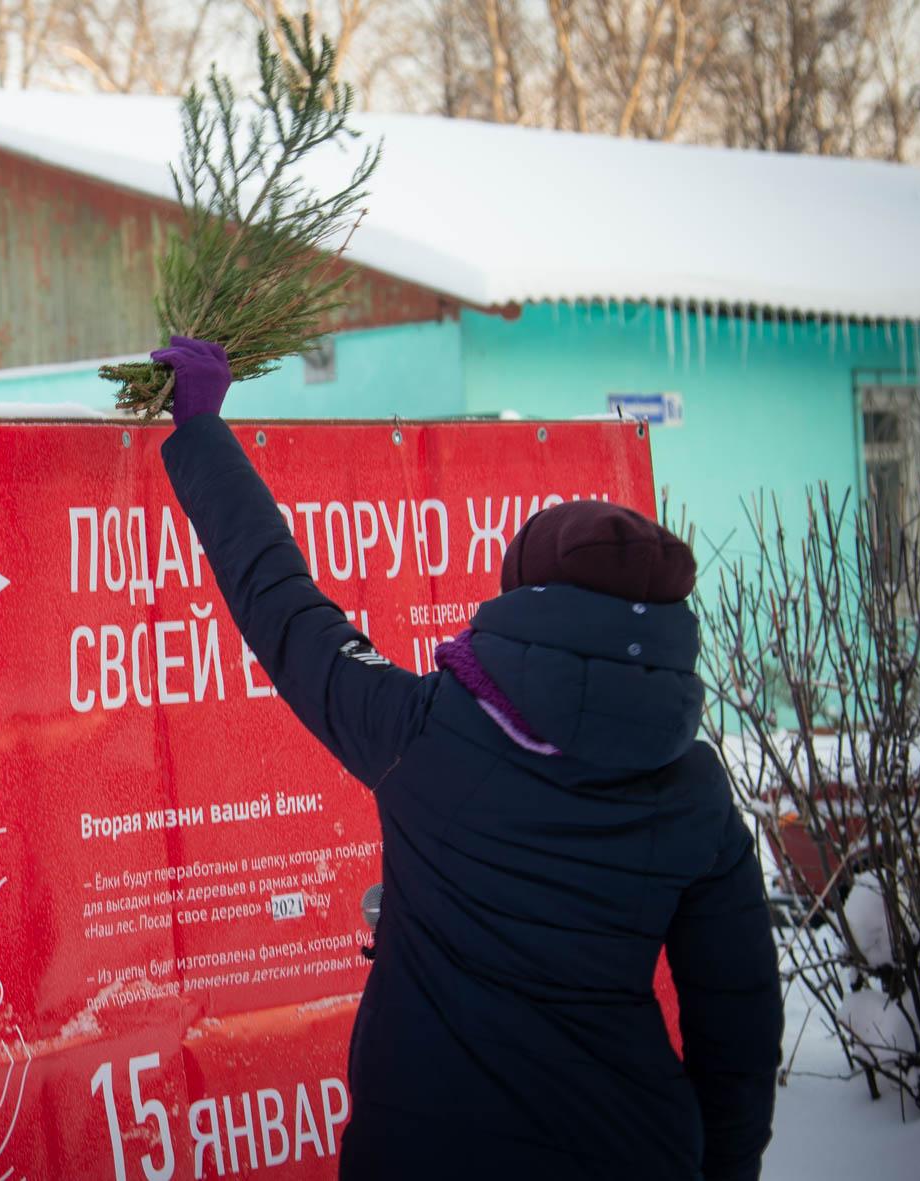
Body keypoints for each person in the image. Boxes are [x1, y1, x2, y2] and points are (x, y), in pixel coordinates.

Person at [153, 337, 782, 1181]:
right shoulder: (695, 791)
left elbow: (284, 606)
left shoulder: (425, 733)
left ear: (523, 601)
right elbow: (738, 1020)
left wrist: (199, 427)